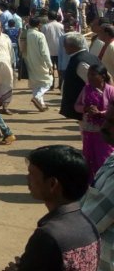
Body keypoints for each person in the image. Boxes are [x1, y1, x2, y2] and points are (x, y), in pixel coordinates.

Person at [5, 145, 99, 271]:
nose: (27, 179)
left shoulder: (47, 236)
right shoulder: (88, 224)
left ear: (52, 184)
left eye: (31, 174)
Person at [81, 104, 114, 270]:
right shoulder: (112, 158)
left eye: (112, 122)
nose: (105, 126)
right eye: (107, 119)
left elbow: (88, 225)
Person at [75, 64, 114, 180]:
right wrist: (86, 109)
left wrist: (100, 113)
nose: (90, 77)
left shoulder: (111, 90)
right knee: (89, 160)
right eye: (88, 75)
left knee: (104, 159)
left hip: (104, 133)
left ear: (102, 76)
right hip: (88, 132)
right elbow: (77, 106)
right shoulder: (86, 89)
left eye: (93, 74)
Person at [61, 32, 99, 121]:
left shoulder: (80, 61)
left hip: (87, 107)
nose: (64, 47)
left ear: (72, 46)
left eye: (65, 45)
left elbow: (96, 84)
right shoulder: (86, 57)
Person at [25, 17, 54, 112]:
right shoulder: (39, 35)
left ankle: (41, 104)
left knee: (36, 83)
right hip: (41, 62)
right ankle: (37, 97)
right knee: (48, 81)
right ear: (39, 25)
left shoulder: (25, 34)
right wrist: (50, 65)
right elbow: (44, 52)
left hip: (29, 61)